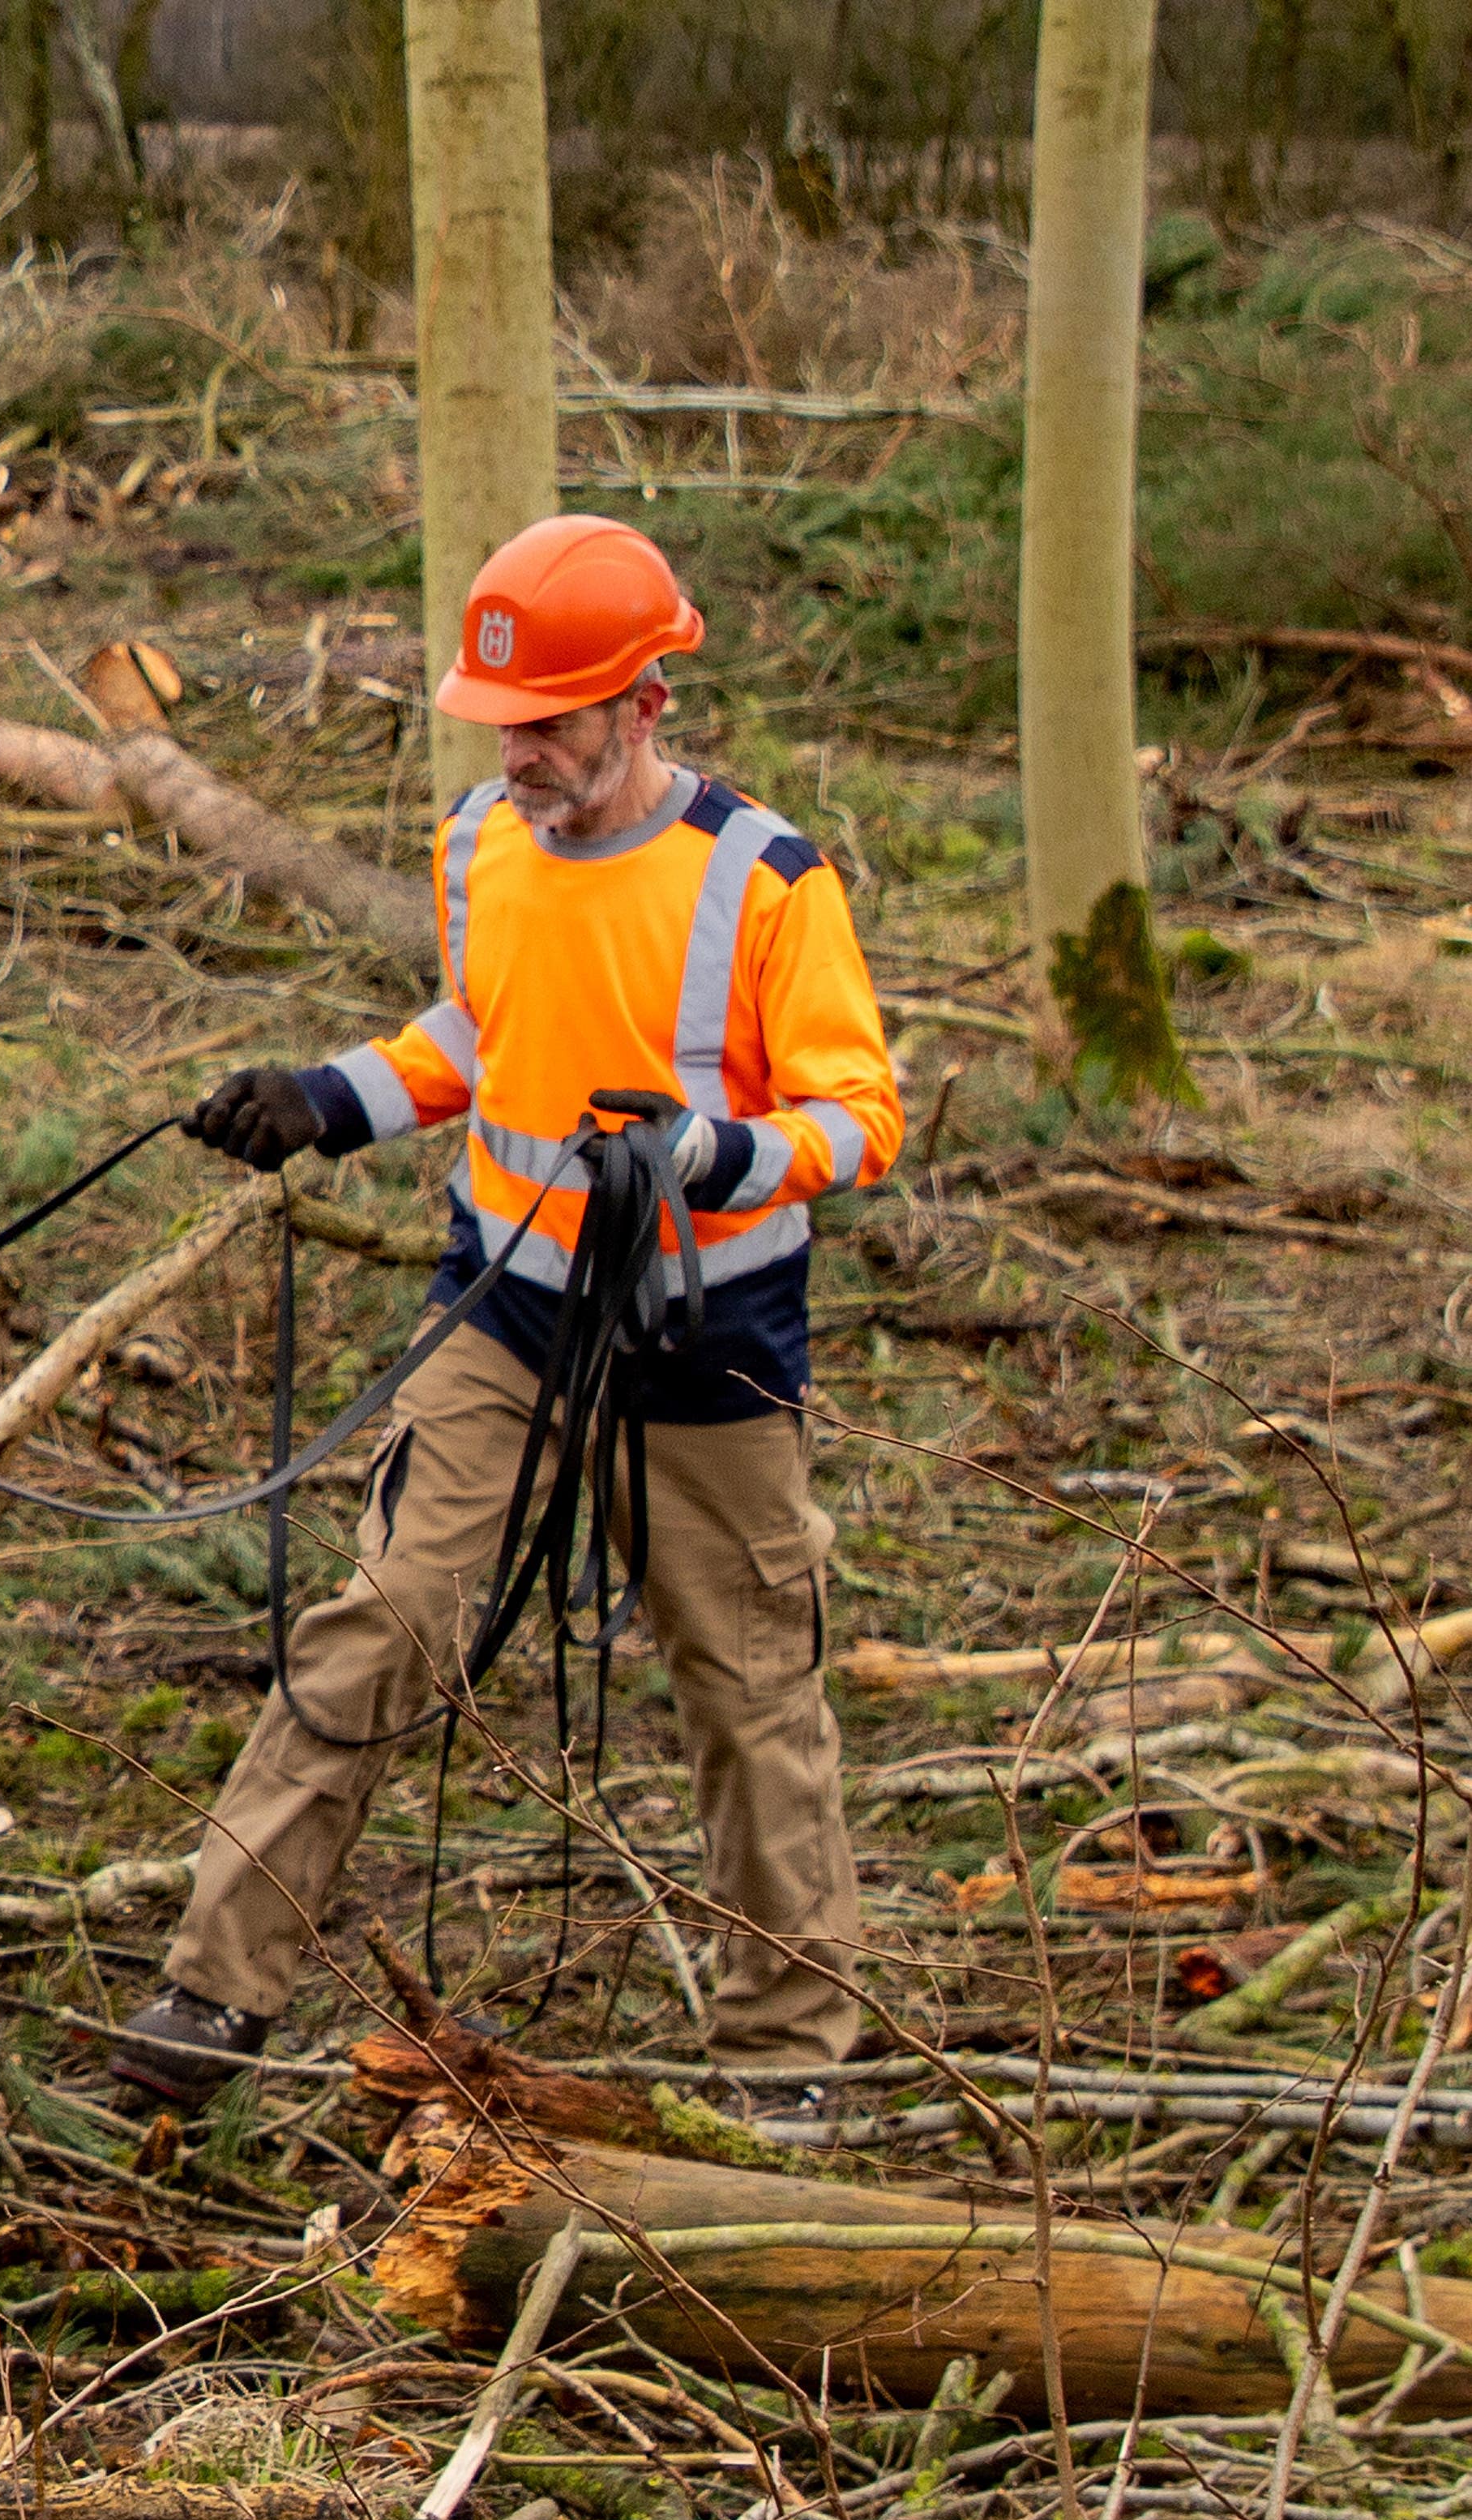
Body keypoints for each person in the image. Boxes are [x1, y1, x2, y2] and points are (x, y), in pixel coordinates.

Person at [110, 516, 903, 2111]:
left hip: (705, 1349)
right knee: (378, 1625)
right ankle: (208, 1997)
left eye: (546, 722)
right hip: (501, 1315)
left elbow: (858, 1115)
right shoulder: (479, 839)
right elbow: (481, 1027)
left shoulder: (762, 879)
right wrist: (328, 1098)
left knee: (748, 1696)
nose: (518, 753)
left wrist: (710, 1151)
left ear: (642, 704)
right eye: (500, 724)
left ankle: (785, 2070)